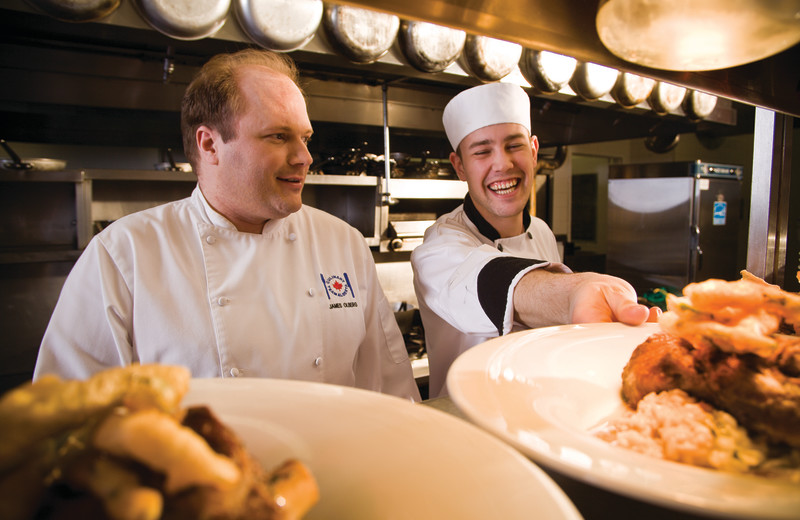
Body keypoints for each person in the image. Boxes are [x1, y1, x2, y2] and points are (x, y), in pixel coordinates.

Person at [34, 48, 420, 401]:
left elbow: (390, 389)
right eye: (278, 136)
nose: (304, 156)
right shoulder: (124, 254)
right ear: (209, 144)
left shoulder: (342, 243)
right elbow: (69, 416)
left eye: (304, 137)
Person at [411, 82, 659, 398]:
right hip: (466, 427)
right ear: (459, 166)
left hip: (539, 410)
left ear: (534, 151)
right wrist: (574, 292)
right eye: (482, 151)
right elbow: (483, 278)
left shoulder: (540, 230)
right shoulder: (439, 245)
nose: (502, 164)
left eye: (514, 146)